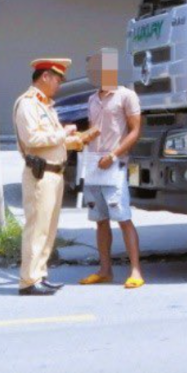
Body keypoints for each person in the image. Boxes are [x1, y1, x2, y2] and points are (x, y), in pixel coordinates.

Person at [13, 58, 96, 296]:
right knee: (37, 229)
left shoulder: (44, 105)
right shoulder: (28, 104)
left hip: (53, 174)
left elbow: (51, 141)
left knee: (48, 230)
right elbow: (33, 140)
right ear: (45, 77)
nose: (59, 84)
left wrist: (78, 139)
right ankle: (28, 281)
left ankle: (39, 274)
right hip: (41, 174)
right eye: (58, 79)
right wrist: (63, 133)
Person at [78, 48, 145, 289]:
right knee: (100, 219)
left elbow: (136, 130)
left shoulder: (127, 95)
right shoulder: (91, 98)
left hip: (115, 164)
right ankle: (105, 270)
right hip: (93, 163)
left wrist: (114, 154)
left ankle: (136, 270)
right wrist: (81, 139)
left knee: (123, 218)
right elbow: (94, 128)